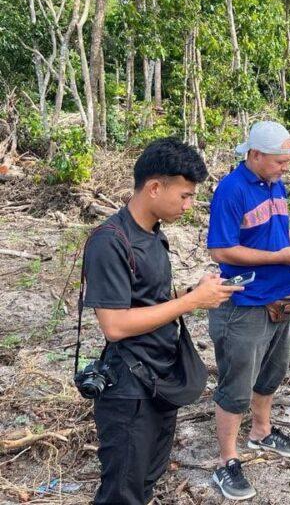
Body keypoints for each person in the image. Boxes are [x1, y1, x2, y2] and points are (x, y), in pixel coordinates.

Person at [83, 138, 243, 505]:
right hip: (128, 387)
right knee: (122, 491)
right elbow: (115, 325)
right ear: (155, 187)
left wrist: (193, 292)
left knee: (146, 480)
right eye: (184, 196)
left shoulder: (153, 233)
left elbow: (149, 301)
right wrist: (189, 302)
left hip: (158, 378)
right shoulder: (111, 241)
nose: (189, 206)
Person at [206, 121, 290, 501]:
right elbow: (222, 251)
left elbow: (272, 234)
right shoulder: (231, 190)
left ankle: (261, 431)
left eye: (289, 161)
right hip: (245, 304)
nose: (286, 168)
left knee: (271, 374)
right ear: (254, 155)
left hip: (282, 296)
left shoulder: (275, 185)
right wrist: (279, 256)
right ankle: (226, 461)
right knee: (235, 384)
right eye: (280, 161)